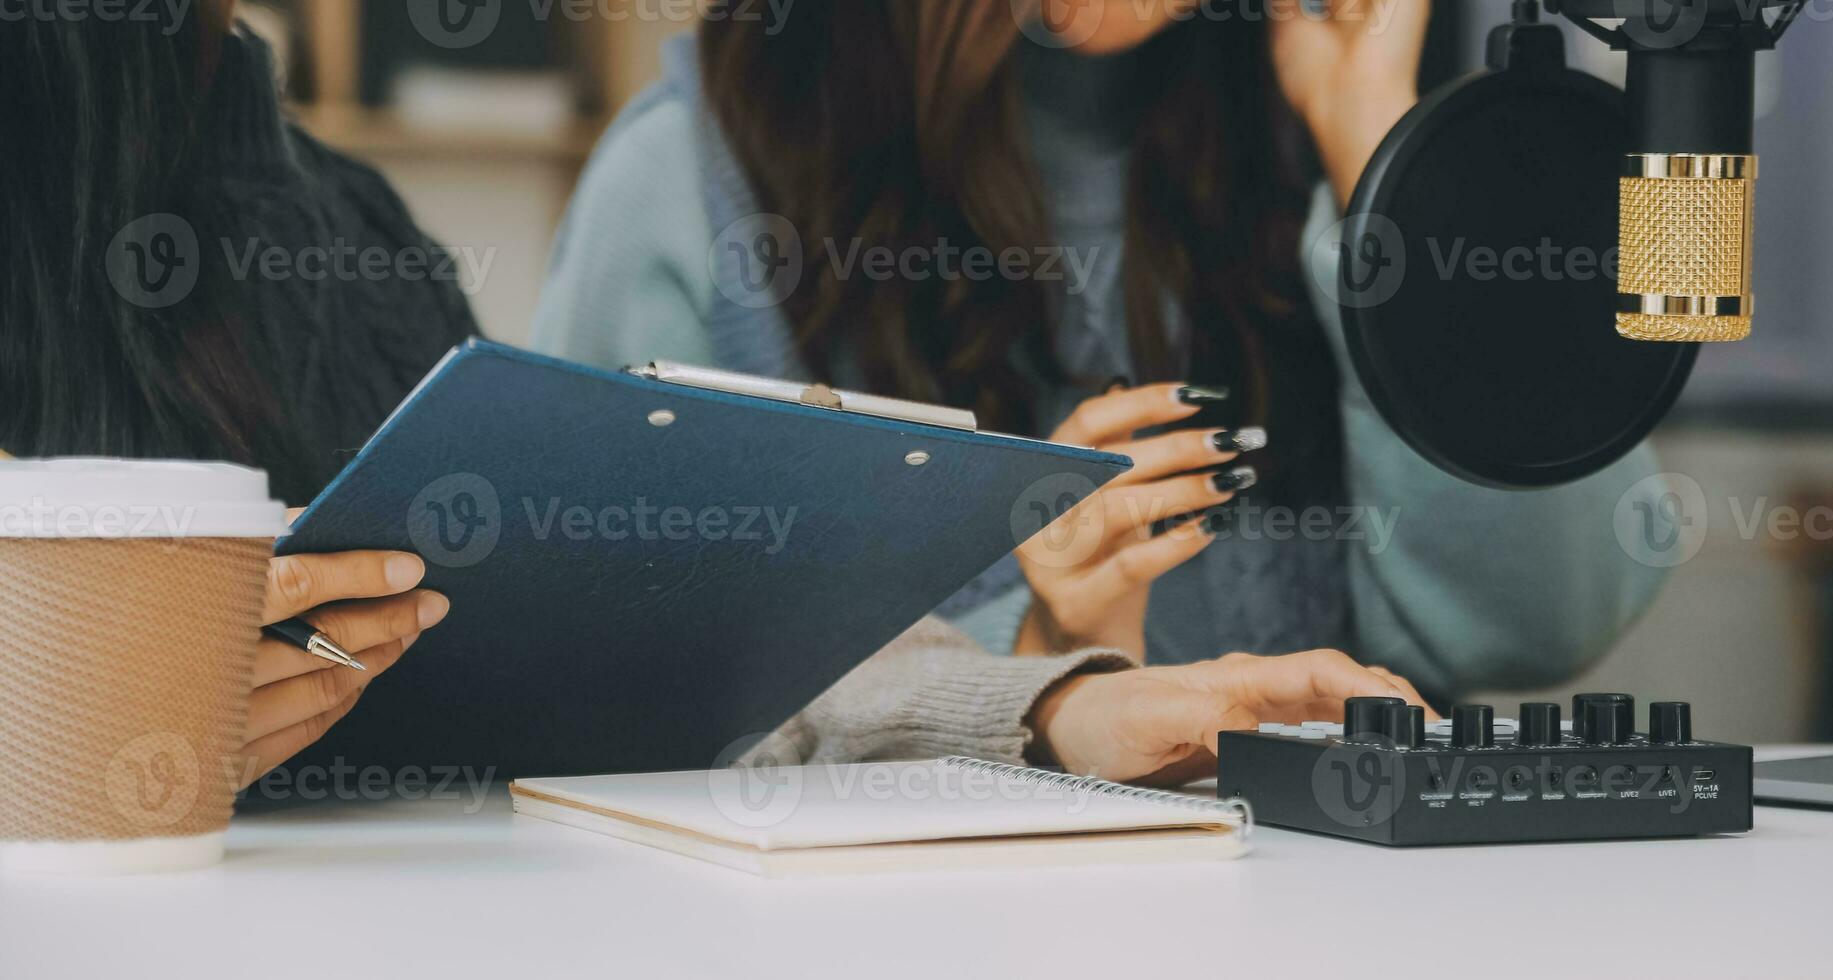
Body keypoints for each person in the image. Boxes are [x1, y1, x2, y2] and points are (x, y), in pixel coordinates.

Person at [0, 1, 1426, 788]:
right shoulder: (693, 159)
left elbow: (616, 674)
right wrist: (48, 719)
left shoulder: (339, 234)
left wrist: (1044, 707)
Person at [532, 0, 1672, 700]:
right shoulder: (692, 180)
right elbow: (607, 682)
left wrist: (1376, 153)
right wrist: (1032, 662)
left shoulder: (1330, 134)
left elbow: (1548, 622)